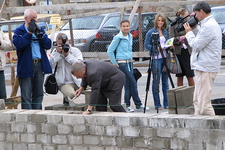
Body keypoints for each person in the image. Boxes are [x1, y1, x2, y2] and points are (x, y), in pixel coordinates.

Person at [184, 1, 222, 115]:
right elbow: (200, 39)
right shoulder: (206, 24)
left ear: (201, 12)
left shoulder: (209, 26)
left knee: (204, 104)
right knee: (197, 101)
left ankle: (214, 130)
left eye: (195, 13)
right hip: (202, 66)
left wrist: (188, 32)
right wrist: (193, 28)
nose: (194, 16)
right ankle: (197, 126)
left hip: (206, 67)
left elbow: (196, 44)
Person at [13, 8, 52, 109]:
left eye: (36, 18)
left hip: (39, 64)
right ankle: (27, 119)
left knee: (38, 94)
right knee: (26, 95)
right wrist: (29, 33)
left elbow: (48, 45)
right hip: (26, 65)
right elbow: (19, 45)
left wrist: (40, 36)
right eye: (33, 19)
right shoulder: (19, 31)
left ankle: (37, 116)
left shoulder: (40, 30)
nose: (35, 21)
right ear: (26, 18)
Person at [107, 20, 149, 112]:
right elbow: (110, 51)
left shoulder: (130, 36)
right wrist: (114, 62)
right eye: (124, 26)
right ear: (121, 27)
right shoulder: (118, 37)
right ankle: (137, 104)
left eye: (127, 26)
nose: (126, 28)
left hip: (130, 62)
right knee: (133, 82)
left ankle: (129, 105)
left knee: (128, 84)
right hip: (122, 63)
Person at [49, 33, 83, 104]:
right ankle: (67, 102)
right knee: (71, 94)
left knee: (93, 91)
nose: (63, 46)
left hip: (78, 81)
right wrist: (58, 54)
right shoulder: (55, 52)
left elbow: (80, 65)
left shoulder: (75, 51)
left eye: (64, 43)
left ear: (68, 41)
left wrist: (68, 55)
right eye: (60, 44)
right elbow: (50, 66)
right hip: (64, 83)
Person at [144, 13, 169, 110]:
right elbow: (146, 45)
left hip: (165, 58)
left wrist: (169, 46)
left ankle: (166, 103)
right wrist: (156, 48)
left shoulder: (165, 32)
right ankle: (157, 104)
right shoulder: (151, 32)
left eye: (162, 21)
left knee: (165, 82)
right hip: (156, 59)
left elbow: (167, 42)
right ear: (155, 21)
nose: (160, 22)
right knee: (156, 82)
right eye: (158, 20)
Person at [169, 8, 195, 86]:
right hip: (178, 52)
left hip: (187, 51)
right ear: (181, 15)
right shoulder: (173, 25)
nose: (188, 17)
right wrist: (181, 38)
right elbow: (171, 39)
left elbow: (192, 35)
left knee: (190, 75)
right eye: (186, 15)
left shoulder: (188, 24)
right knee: (180, 75)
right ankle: (180, 94)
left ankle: (193, 94)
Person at [0, 31, 12, 101]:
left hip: (0, 69)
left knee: (2, 97)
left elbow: (9, 44)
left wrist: (1, 42)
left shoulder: (0, 32)